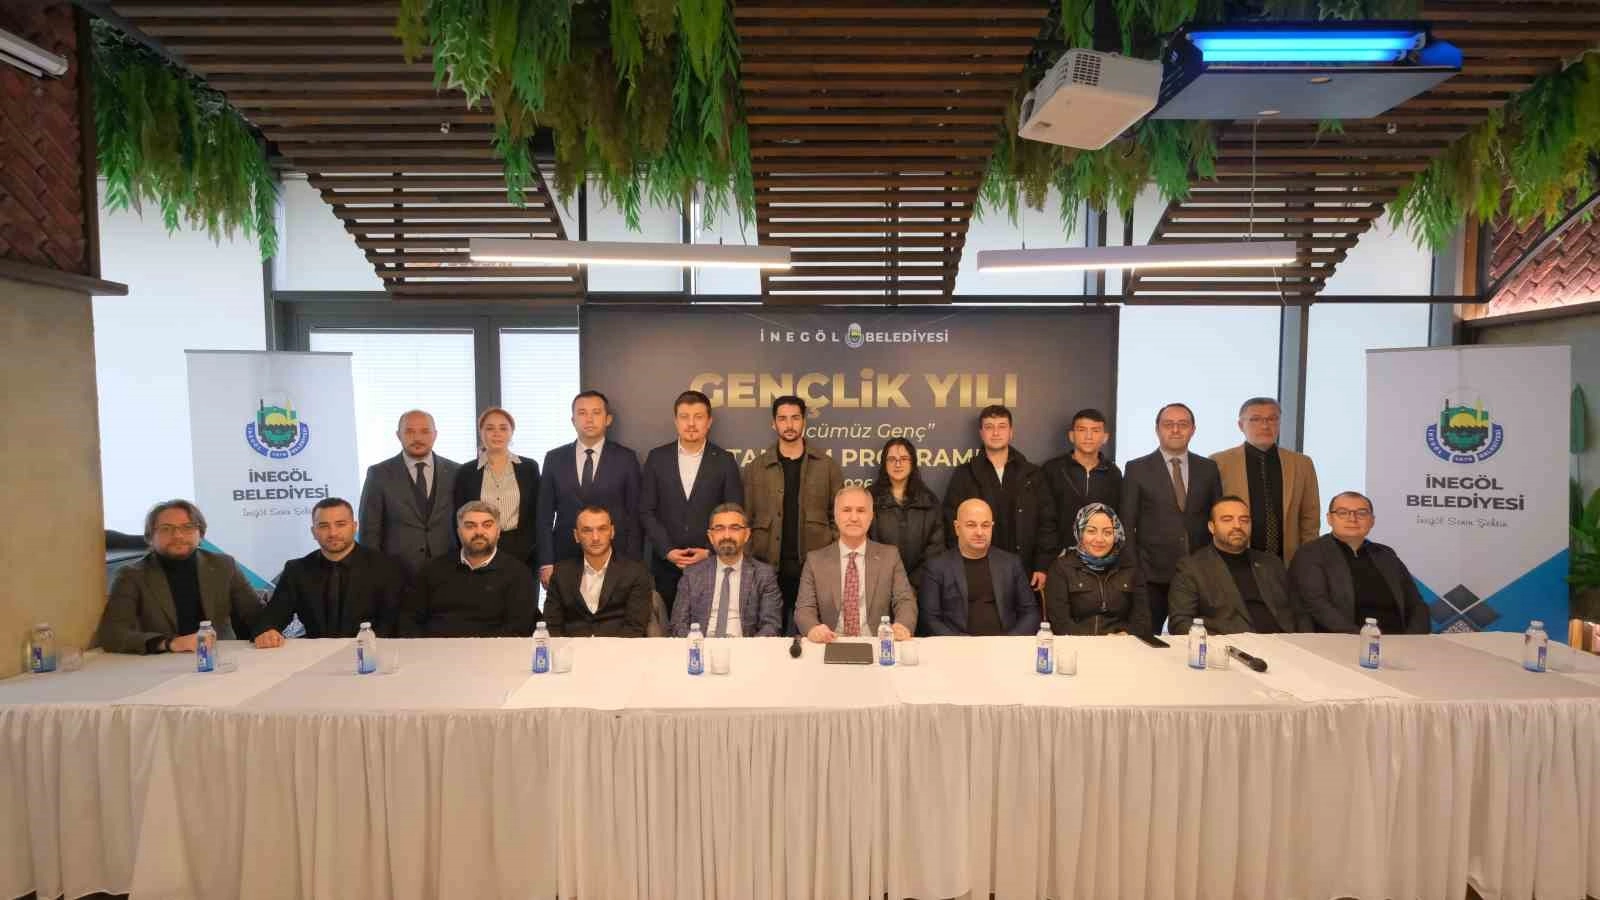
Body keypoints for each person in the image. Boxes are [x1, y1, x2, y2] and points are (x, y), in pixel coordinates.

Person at [97, 500, 262, 654]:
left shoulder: (224, 565)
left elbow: (256, 615)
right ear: (150, 537)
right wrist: (169, 643)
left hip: (221, 655)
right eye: (166, 528)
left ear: (200, 534)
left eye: (187, 527)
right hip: (163, 660)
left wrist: (267, 630)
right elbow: (113, 634)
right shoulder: (132, 575)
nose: (178, 535)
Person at [740, 395, 843, 633]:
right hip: (767, 568)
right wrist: (752, 560)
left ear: (804, 421)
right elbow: (746, 519)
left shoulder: (827, 466)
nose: (789, 424)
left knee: (813, 636)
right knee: (768, 635)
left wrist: (829, 550)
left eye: (795, 418)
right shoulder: (756, 468)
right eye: (782, 418)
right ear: (773, 423)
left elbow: (839, 517)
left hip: (814, 569)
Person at [1120, 402, 1223, 634]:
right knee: (1147, 640)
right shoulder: (1137, 468)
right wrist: (1134, 569)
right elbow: (1126, 523)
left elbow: (1217, 518)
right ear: (1157, 429)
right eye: (1168, 424)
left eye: (1182, 424)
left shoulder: (1208, 468)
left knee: (1195, 639)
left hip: (1198, 573)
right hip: (1151, 574)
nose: (1175, 430)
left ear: (1193, 429)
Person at [639, 390, 743, 614]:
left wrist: (709, 550)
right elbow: (646, 510)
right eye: (684, 417)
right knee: (667, 628)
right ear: (676, 421)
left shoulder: (724, 461)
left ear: (709, 421)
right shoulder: (657, 458)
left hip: (710, 563)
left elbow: (734, 512)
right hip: (666, 565)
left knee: (707, 625)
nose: (691, 423)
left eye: (698, 417)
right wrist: (667, 550)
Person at [254, 497, 410, 644]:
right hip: (315, 656)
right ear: (314, 531)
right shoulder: (297, 570)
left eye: (340, 524)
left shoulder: (386, 567)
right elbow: (272, 617)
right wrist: (267, 631)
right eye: (323, 526)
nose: (333, 533)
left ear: (354, 527)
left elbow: (396, 623)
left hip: (373, 653)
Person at [941, 405, 1058, 591]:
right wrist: (961, 566)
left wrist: (1042, 565)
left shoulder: (1032, 474)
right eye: (989, 427)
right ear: (981, 433)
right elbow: (951, 523)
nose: (995, 432)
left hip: (1026, 571)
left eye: (1002, 426)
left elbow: (1047, 523)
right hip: (977, 571)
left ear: (1011, 432)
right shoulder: (964, 475)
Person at [536, 390, 641, 587]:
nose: (589, 419)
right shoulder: (554, 458)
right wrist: (546, 562)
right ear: (573, 420)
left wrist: (633, 564)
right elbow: (544, 516)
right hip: (565, 556)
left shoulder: (626, 458)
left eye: (596, 412)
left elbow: (635, 516)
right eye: (582, 413)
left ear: (608, 419)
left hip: (615, 557)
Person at [1289, 491, 1431, 634]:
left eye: (1361, 513)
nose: (1352, 519)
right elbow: (1316, 604)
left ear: (1372, 521)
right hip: (1344, 640)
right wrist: (1362, 637)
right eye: (1343, 513)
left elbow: (1416, 604)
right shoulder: (1311, 553)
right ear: (1330, 519)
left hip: (1400, 639)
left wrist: (1413, 638)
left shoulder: (1386, 554)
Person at [1167, 496, 1306, 635]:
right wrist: (1221, 643)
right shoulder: (1192, 568)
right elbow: (1180, 623)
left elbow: (1300, 613)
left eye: (1244, 520)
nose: (1238, 526)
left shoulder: (1271, 563)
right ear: (1212, 527)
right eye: (1227, 520)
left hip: (1285, 641)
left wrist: (1305, 640)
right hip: (1230, 645)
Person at [795, 486, 917, 643]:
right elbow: (804, 608)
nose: (854, 518)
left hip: (877, 643)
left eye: (861, 510)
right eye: (846, 510)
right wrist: (813, 629)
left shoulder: (890, 556)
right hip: (831, 642)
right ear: (835, 515)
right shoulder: (815, 560)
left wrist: (902, 625)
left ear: (871, 516)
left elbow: (905, 600)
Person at [399, 501, 538, 637]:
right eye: (470, 526)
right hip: (436, 648)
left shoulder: (518, 574)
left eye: (487, 525)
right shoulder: (433, 569)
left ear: (498, 532)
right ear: (459, 532)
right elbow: (410, 618)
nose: (479, 532)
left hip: (493, 650)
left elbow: (519, 627)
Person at [1211, 397, 1321, 564]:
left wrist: (1308, 561)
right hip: (1234, 561)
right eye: (1255, 419)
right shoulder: (1219, 463)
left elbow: (1310, 518)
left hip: (1288, 563)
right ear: (1241, 425)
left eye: (1272, 419)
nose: (1265, 425)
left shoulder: (1302, 464)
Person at [358, 410, 462, 573]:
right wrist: (374, 572)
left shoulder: (456, 472)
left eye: (425, 431)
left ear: (435, 435)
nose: (417, 438)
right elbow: (369, 531)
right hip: (396, 572)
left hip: (448, 569)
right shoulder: (378, 474)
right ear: (398, 435)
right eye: (409, 431)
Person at [919, 499, 1039, 636]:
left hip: (1005, 644)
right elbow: (929, 620)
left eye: (985, 525)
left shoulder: (1011, 563)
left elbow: (1030, 612)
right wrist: (958, 643)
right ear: (957, 528)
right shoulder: (936, 567)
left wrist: (1009, 640)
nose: (980, 532)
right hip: (957, 646)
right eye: (971, 525)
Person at [669, 503, 783, 637]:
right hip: (701, 645)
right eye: (719, 528)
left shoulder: (763, 574)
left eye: (735, 528)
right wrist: (697, 645)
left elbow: (771, 626)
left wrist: (748, 648)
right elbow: (678, 624)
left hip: (745, 646)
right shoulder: (692, 574)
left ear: (747, 534)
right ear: (710, 536)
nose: (727, 535)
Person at [542, 505, 654, 637]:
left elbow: (634, 628)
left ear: (612, 532)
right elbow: (552, 626)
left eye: (602, 529)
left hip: (618, 647)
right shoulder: (561, 573)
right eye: (587, 530)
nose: (595, 537)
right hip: (571, 647)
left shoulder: (636, 573)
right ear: (576, 536)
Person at [452, 407, 540, 571]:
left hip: (523, 554)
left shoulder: (529, 468)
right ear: (481, 433)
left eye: (503, 428)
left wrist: (528, 547)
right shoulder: (466, 472)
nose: (497, 433)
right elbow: (458, 516)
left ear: (511, 432)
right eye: (490, 428)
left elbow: (537, 514)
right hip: (478, 549)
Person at [1043, 502, 1150, 636]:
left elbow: (1142, 621)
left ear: (1116, 535)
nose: (1099, 539)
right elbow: (1060, 623)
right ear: (1080, 533)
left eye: (1107, 532)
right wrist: (1095, 642)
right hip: (1077, 644)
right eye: (1091, 531)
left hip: (1120, 644)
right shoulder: (1061, 568)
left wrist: (1125, 635)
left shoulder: (1130, 568)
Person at [867, 437, 945, 592]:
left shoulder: (929, 500)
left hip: (920, 589)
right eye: (892, 459)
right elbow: (863, 545)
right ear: (884, 463)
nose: (898, 464)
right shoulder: (869, 498)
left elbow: (936, 550)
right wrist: (887, 583)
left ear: (912, 462)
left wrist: (912, 584)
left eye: (903, 459)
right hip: (878, 587)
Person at [1042, 408, 1123, 535]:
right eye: (1082, 430)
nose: (1088, 436)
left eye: (1095, 431)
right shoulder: (1052, 469)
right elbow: (1044, 518)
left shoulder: (1113, 473)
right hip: (1060, 546)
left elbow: (1116, 518)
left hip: (1099, 545)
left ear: (1105, 437)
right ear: (1071, 436)